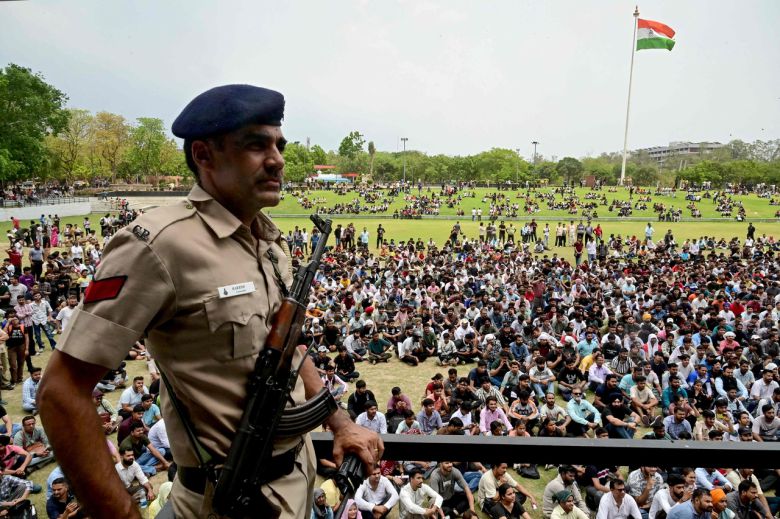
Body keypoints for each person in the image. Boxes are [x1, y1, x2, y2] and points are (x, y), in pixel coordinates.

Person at [39, 84, 380, 518]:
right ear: (204, 155)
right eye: (256, 145)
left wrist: (340, 423)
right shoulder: (158, 244)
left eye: (279, 144)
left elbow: (288, 347)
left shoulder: (270, 243)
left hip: (296, 483)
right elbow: (61, 392)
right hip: (221, 500)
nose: (276, 159)